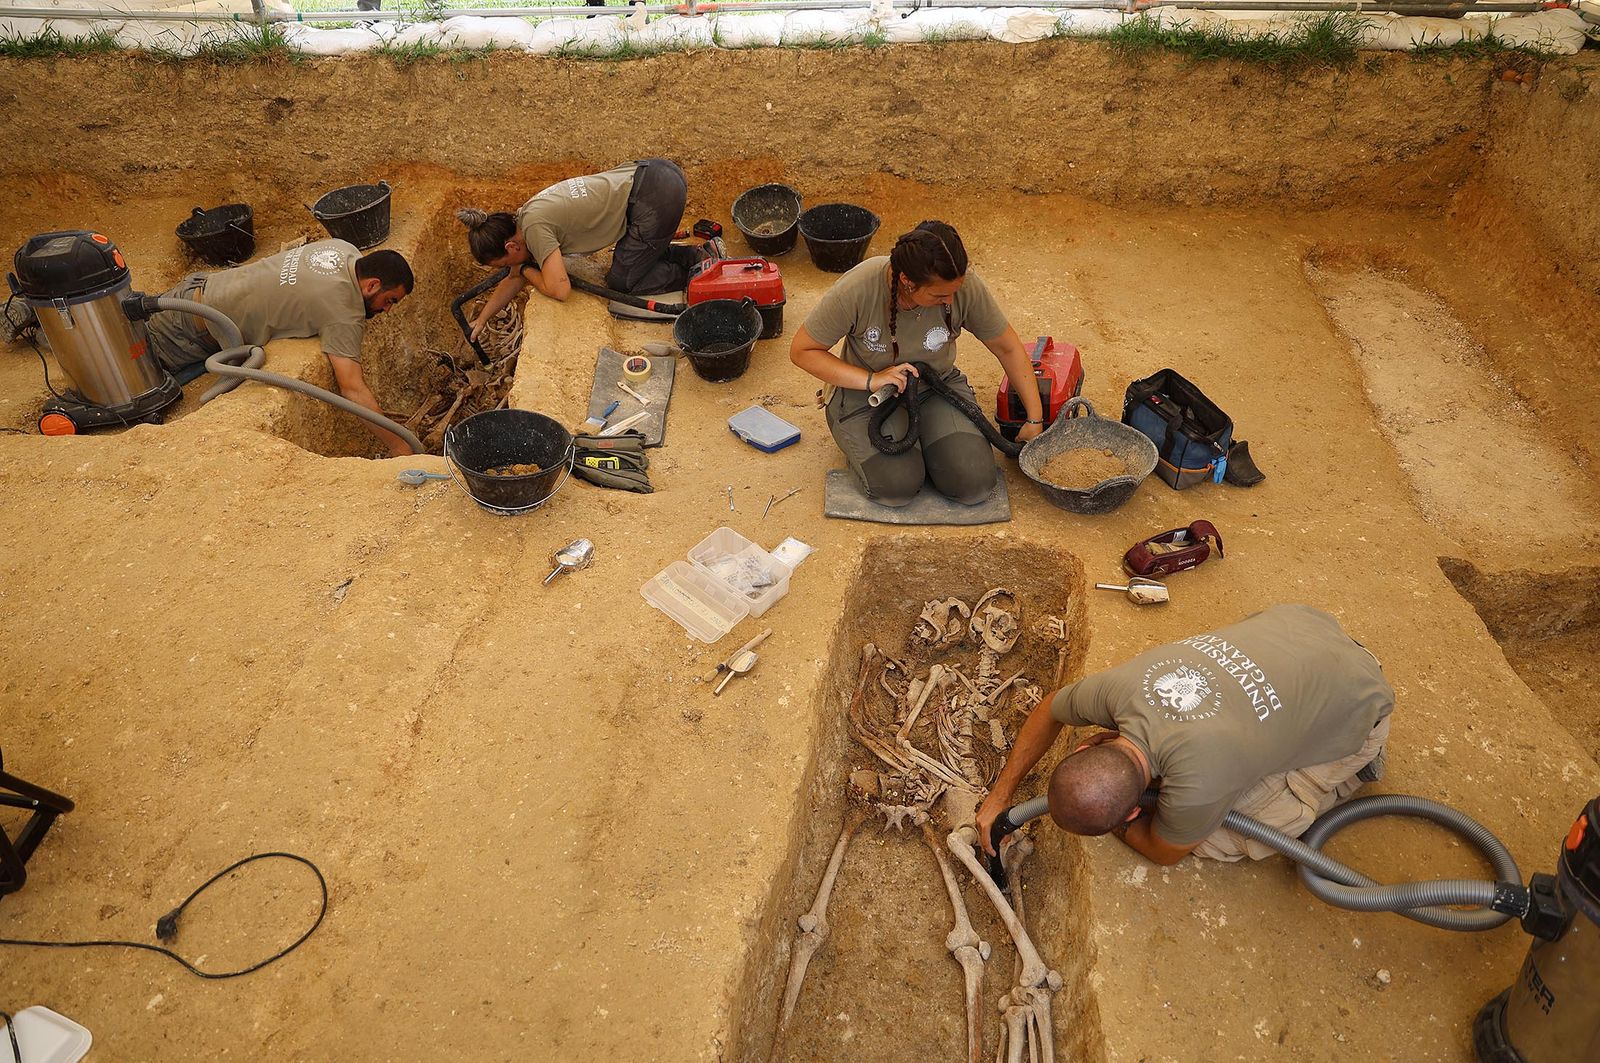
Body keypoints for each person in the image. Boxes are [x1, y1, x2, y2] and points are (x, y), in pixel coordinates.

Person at [975, 604, 1394, 865]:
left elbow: (1163, 851)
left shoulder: (1198, 784)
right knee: (1215, 786)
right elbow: (1050, 709)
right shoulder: (1117, 690)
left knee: (1219, 839)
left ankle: (1350, 772)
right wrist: (999, 797)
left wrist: (1128, 826)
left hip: (1361, 700)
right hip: (1305, 627)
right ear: (1088, 743)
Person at [789, 220, 1044, 508]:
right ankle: (880, 449)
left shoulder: (956, 283)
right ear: (907, 282)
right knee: (896, 487)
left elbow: (1007, 347)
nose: (950, 300)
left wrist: (1034, 418)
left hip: (936, 387)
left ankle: (929, 444)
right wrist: (871, 380)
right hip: (867, 394)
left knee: (974, 483)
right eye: (939, 295)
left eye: (955, 291)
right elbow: (802, 350)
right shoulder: (859, 287)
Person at [144, 239, 416, 457]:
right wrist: (399, 446)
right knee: (131, 388)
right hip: (181, 332)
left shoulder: (343, 249)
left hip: (196, 288)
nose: (387, 310)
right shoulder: (343, 311)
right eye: (389, 300)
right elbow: (352, 389)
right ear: (372, 285)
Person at [458, 158, 698, 337]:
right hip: (655, 173)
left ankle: (694, 273)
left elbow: (560, 290)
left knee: (623, 282)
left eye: (503, 264)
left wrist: (524, 270)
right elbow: (513, 278)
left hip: (656, 197)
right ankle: (696, 256)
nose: (509, 268)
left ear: (511, 247)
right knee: (635, 260)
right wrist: (482, 319)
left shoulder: (535, 229)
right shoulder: (525, 217)